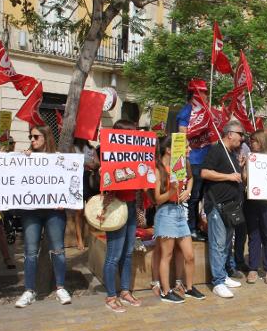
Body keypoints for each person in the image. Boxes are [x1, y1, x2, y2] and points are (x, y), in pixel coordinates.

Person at [15, 125, 71, 308]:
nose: (32, 140)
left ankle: (61, 288)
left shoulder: (59, 159)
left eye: (36, 136)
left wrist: (66, 198)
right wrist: (22, 160)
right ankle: (29, 290)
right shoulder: (25, 158)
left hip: (54, 211)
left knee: (58, 250)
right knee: (30, 252)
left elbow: (69, 182)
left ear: (46, 138)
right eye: (30, 136)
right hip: (31, 211)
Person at [151, 136, 205, 303]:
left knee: (189, 254)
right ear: (169, 150)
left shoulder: (181, 164)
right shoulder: (158, 169)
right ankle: (166, 291)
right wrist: (172, 191)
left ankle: (188, 288)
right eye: (184, 147)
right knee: (166, 254)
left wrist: (188, 190)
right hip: (165, 212)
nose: (188, 150)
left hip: (180, 211)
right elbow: (157, 199)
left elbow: (190, 178)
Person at [100, 119, 143, 312]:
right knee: (114, 255)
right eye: (131, 134)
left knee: (127, 253)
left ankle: (124, 291)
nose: (134, 137)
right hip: (116, 207)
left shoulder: (136, 155)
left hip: (132, 206)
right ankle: (111, 296)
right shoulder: (108, 155)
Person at [201, 120, 245, 298]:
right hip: (218, 206)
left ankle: (224, 275)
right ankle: (217, 281)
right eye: (240, 135)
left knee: (226, 243)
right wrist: (228, 176)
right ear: (230, 134)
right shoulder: (216, 150)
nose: (242, 139)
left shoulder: (231, 154)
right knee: (218, 244)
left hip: (230, 207)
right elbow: (204, 172)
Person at [244, 131, 267, 285]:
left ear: (263, 142)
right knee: (253, 236)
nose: (252, 143)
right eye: (251, 141)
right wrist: (244, 166)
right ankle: (253, 268)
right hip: (252, 202)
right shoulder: (249, 158)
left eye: (255, 141)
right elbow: (245, 179)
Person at [177, 79, 210, 242]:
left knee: (204, 196)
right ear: (195, 94)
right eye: (203, 92)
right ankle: (190, 228)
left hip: (207, 160)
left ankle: (199, 226)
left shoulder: (206, 112)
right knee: (193, 197)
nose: (206, 95)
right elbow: (182, 134)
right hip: (194, 161)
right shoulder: (186, 111)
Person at [72, 138, 100, 250]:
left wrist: (91, 164)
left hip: (90, 180)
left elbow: (97, 163)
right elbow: (72, 162)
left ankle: (91, 238)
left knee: (90, 210)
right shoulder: (72, 147)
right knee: (79, 211)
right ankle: (79, 239)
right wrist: (88, 163)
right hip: (77, 180)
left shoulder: (91, 148)